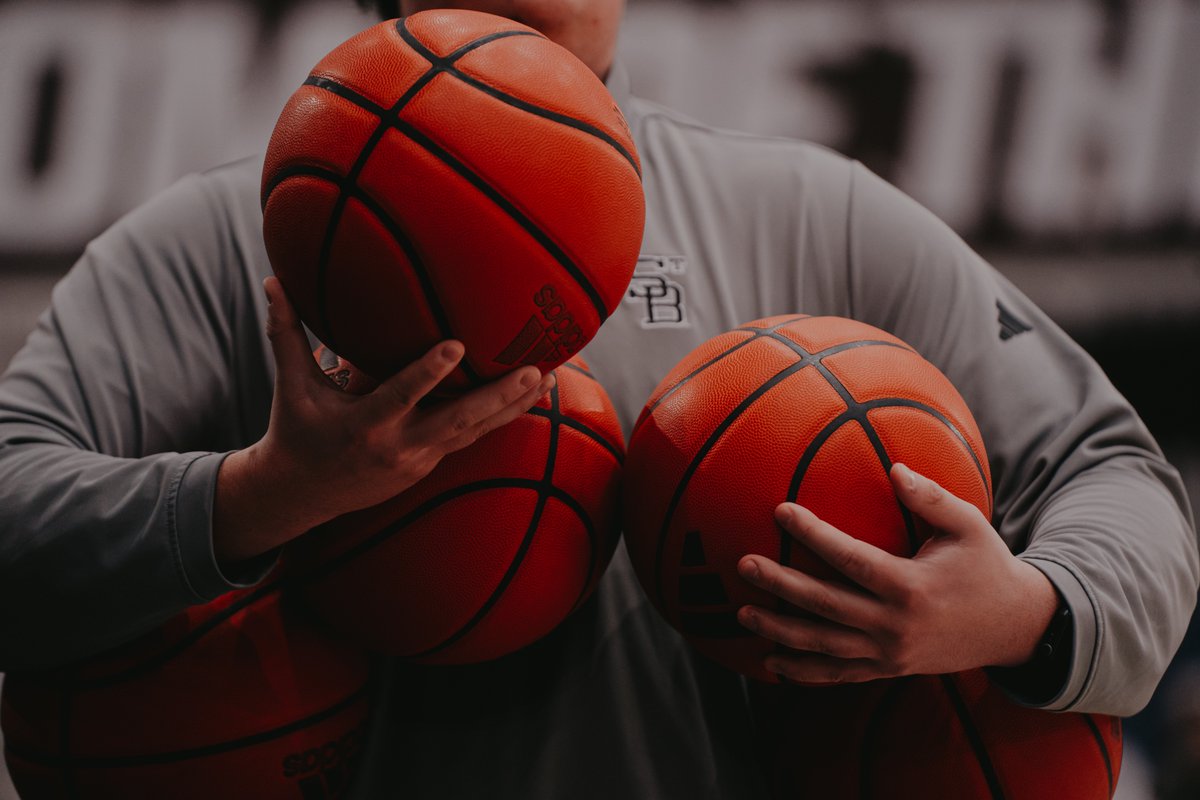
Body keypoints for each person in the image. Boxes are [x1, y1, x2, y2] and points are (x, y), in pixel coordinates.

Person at [0, 0, 1195, 796]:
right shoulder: (221, 240)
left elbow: (1110, 467)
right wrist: (261, 495)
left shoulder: (809, 213)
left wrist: (1024, 612)